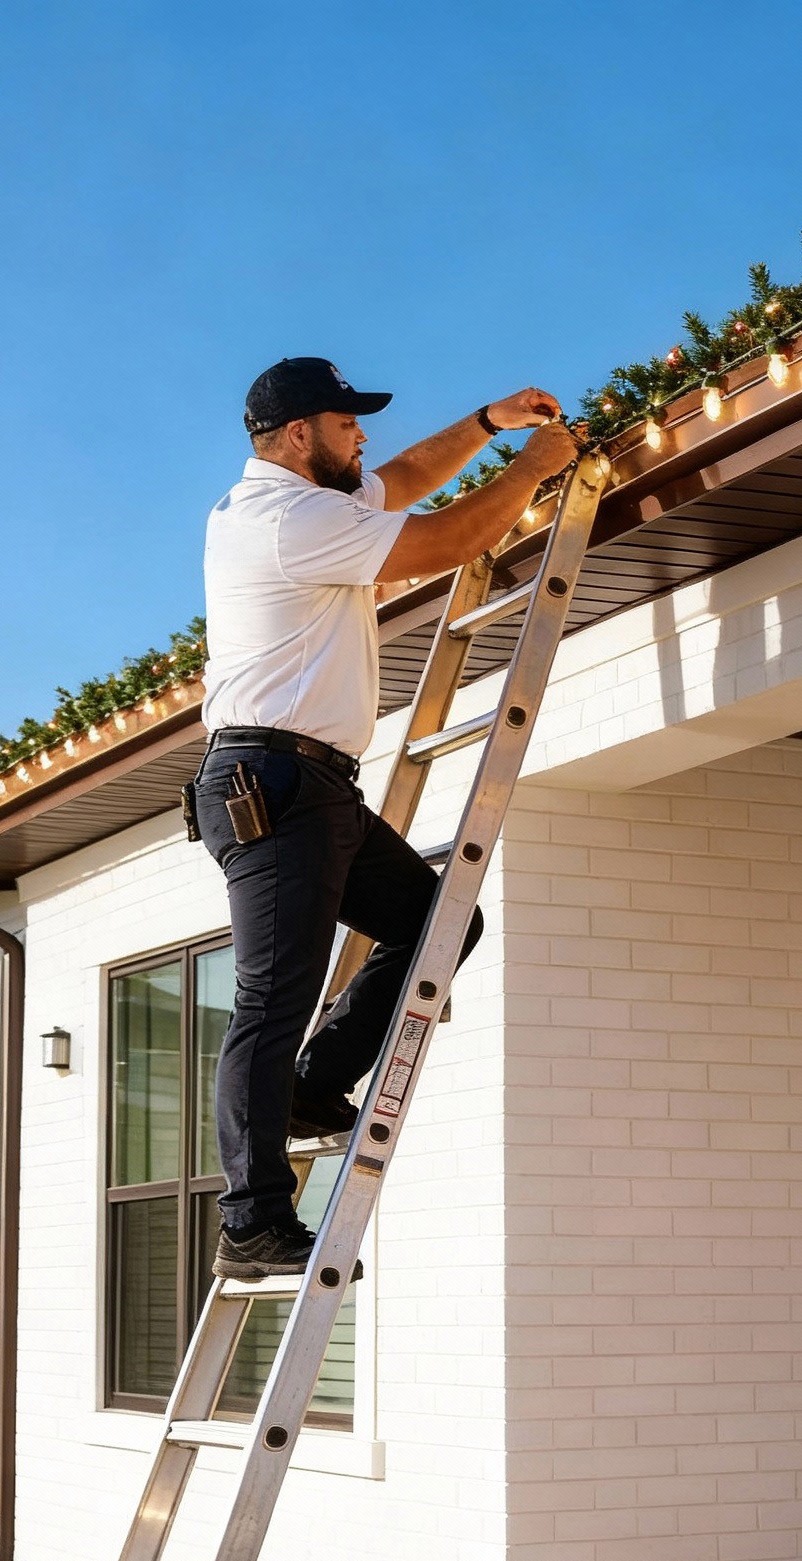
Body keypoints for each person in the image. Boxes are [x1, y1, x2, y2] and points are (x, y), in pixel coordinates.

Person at [195, 357, 579, 1280]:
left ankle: (314, 1086)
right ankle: (251, 1220)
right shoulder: (285, 520)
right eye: (346, 423)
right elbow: (446, 539)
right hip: (271, 782)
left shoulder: (312, 503)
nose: (362, 435)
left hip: (311, 784)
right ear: (299, 435)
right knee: (272, 998)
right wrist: (535, 467)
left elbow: (403, 480)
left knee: (440, 924)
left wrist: (486, 423)